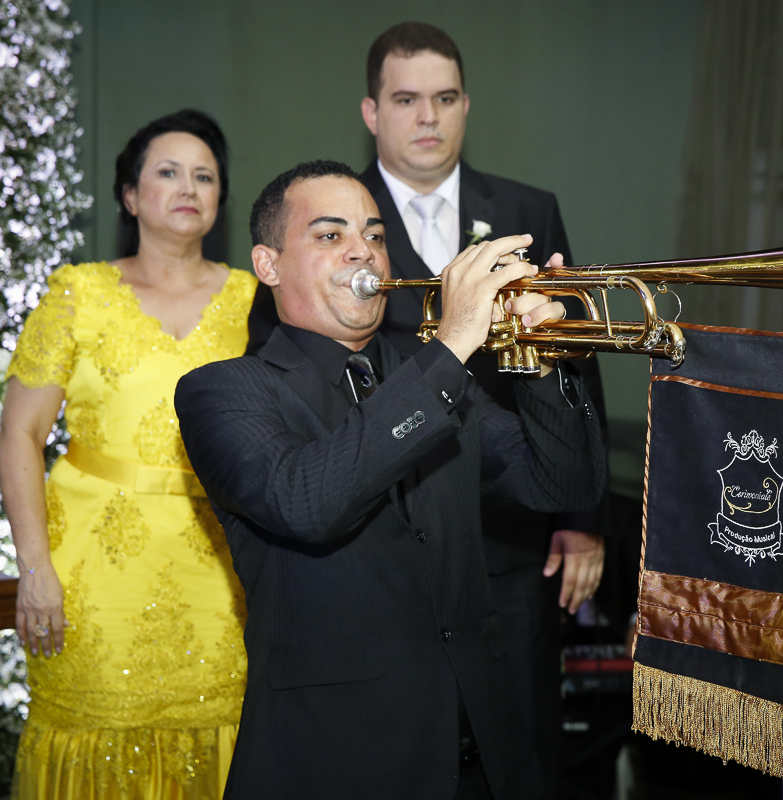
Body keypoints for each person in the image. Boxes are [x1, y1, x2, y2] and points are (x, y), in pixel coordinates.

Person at [247, 24, 609, 793]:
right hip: (366, 533)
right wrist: (453, 339)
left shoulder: (525, 205)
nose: (428, 118)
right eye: (407, 99)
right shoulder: (317, 210)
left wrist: (552, 363)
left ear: (466, 107)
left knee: (517, 743)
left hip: (507, 530)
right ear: (372, 112)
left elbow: (568, 390)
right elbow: (288, 389)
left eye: (445, 100)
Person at [174, 160, 605, 799]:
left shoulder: (431, 377)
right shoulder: (224, 391)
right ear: (268, 265)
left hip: (484, 762)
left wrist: (539, 364)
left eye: (374, 234)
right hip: (336, 766)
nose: (364, 252)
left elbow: (561, 486)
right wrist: (454, 344)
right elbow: (307, 502)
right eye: (329, 236)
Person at [0, 109, 255, 799]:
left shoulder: (253, 301)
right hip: (91, 571)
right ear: (130, 195)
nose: (188, 187)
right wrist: (33, 568)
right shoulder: (76, 294)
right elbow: (19, 435)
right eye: (167, 172)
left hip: (222, 572)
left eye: (204, 176)